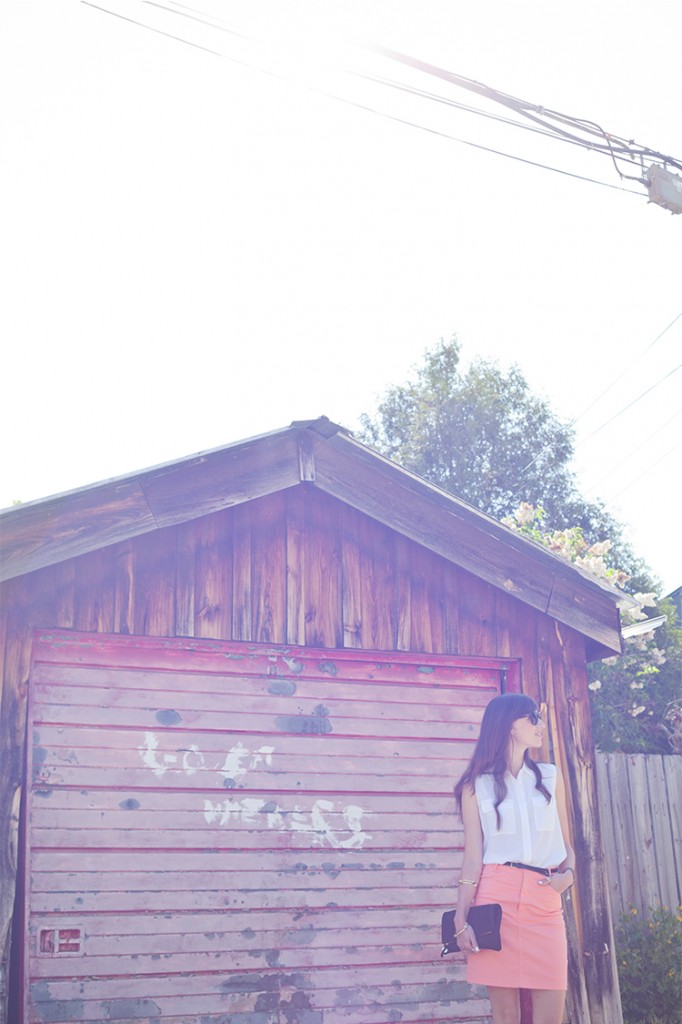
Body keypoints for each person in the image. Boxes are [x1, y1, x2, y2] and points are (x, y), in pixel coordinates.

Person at [453, 692, 575, 1024]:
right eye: (532, 717)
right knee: (506, 1016)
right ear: (509, 725)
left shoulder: (551, 776)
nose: (541, 724)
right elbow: (473, 856)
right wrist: (460, 917)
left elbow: (567, 844)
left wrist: (570, 874)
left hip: (544, 897)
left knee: (550, 1016)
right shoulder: (475, 786)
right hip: (496, 900)